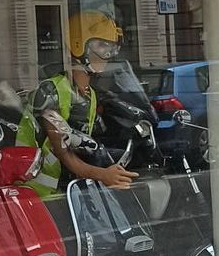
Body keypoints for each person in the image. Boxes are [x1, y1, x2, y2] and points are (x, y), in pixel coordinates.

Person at [19, 12, 136, 198]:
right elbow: (63, 152)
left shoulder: (90, 95)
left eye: (111, 48)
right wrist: (103, 175)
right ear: (78, 45)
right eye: (101, 46)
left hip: (67, 191)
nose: (107, 55)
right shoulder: (51, 92)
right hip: (36, 193)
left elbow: (81, 146)